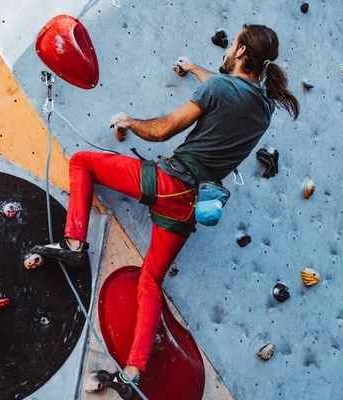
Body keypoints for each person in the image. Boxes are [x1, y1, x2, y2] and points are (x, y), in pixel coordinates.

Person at [27, 23, 300, 400]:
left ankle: (75, 242)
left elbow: (163, 131)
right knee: (150, 281)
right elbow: (225, 90)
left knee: (83, 162)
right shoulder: (265, 109)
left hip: (167, 181)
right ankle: (132, 373)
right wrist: (195, 69)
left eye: (233, 44)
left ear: (239, 53)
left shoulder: (219, 89)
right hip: (191, 206)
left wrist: (128, 122)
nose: (228, 50)